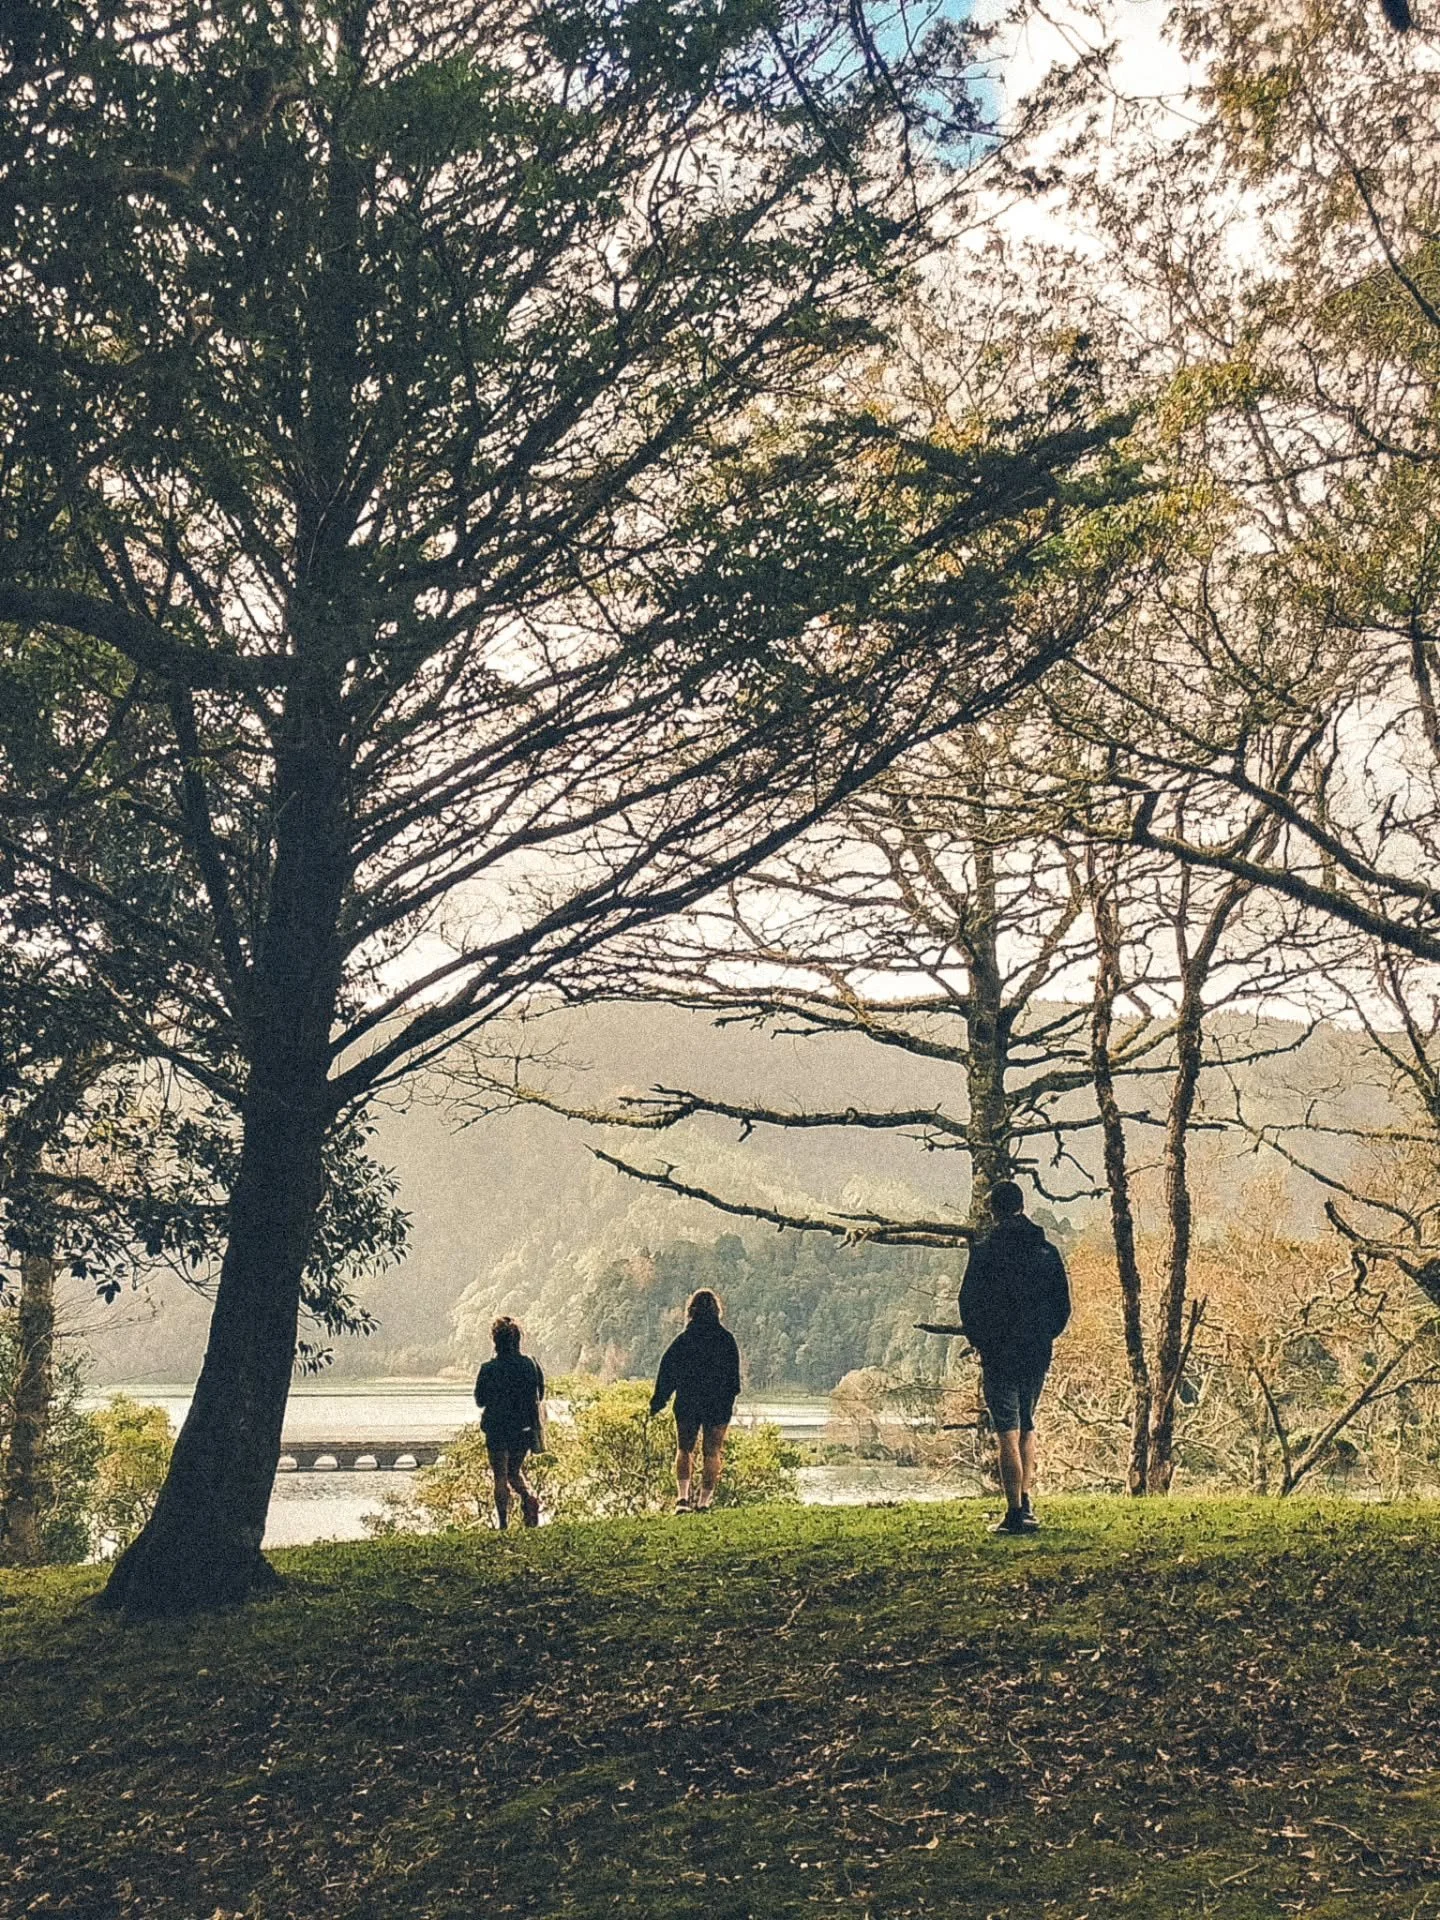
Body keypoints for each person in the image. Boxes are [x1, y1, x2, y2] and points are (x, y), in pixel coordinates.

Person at [958, 1180, 1071, 1536]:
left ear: (994, 1210)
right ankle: (1027, 1500)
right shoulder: (1047, 1252)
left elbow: (969, 1304)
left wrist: (981, 1342)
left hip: (1000, 1352)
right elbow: (1061, 1307)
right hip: (1036, 1351)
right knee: (1028, 1422)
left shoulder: (986, 1252)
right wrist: (1043, 1337)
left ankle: (1014, 1512)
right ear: (1022, 1206)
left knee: (1006, 1429)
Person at [649, 1289, 742, 1512]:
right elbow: (733, 1380)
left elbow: (667, 1373)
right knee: (712, 1452)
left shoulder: (683, 1340)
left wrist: (658, 1402)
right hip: (718, 1405)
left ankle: (682, 1499)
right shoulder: (726, 1340)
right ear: (718, 1311)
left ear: (691, 1311)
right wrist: (727, 1400)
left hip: (688, 1402)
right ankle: (704, 1502)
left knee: (684, 1449)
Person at [474, 1315, 545, 1529]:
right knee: (513, 1472)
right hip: (523, 1428)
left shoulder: (488, 1369)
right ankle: (528, 1497)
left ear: (495, 1341)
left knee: (500, 1476)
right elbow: (539, 1394)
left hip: (496, 1428)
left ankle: (503, 1523)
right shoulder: (529, 1364)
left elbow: (480, 1400)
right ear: (518, 1340)